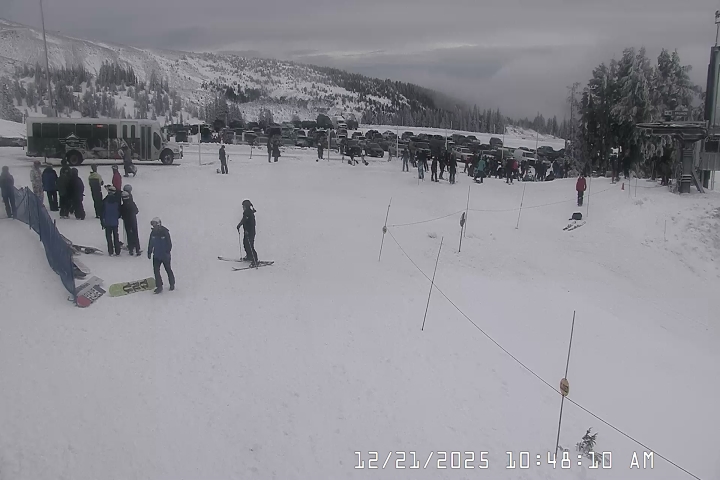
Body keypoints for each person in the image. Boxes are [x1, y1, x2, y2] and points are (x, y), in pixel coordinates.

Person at [148, 217, 175, 293]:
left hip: (164, 256)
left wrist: (167, 252)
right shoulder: (153, 233)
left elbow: (169, 243)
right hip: (156, 255)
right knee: (156, 271)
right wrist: (149, 252)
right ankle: (159, 286)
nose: (154, 226)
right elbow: (150, 243)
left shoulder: (165, 232)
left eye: (155, 224)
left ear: (159, 224)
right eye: (152, 224)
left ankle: (172, 283)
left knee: (168, 269)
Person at [236, 199, 258, 266]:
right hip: (247, 232)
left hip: (250, 232)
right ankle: (249, 256)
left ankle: (255, 260)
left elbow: (251, 223)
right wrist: (239, 225)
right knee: (245, 244)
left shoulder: (249, 213)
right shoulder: (246, 213)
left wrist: (247, 230)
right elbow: (244, 220)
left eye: (243, 206)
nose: (243, 207)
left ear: (246, 206)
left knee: (250, 245)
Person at [101, 185, 122, 255]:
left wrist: (102, 222)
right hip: (115, 221)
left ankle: (110, 251)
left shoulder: (105, 201)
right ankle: (117, 251)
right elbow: (119, 211)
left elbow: (102, 212)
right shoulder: (117, 201)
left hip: (107, 222)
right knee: (116, 236)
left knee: (108, 237)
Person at [120, 188, 141, 256]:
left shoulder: (122, 206)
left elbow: (120, 214)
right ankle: (137, 249)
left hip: (126, 221)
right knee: (135, 234)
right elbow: (136, 211)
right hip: (133, 220)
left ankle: (131, 249)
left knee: (129, 234)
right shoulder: (132, 204)